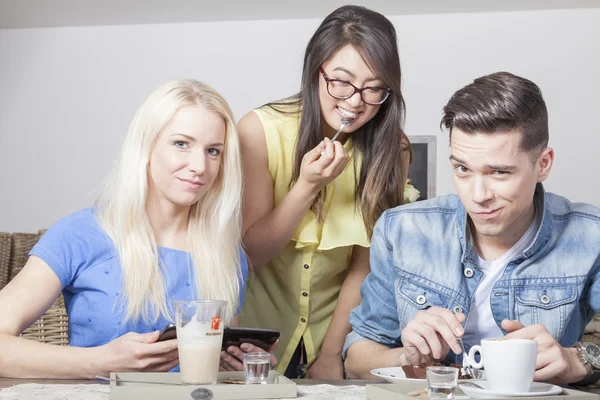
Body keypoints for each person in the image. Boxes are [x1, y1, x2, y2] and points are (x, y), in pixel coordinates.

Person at [0, 79, 270, 378]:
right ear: (146, 146)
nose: (199, 166)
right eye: (181, 144)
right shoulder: (79, 234)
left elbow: (213, 371)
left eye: (213, 151)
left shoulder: (227, 253)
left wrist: (240, 364)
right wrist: (98, 362)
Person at [344, 71, 600, 386]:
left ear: (543, 164)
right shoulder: (403, 230)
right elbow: (356, 360)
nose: (477, 196)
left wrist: (580, 360)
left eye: (499, 172)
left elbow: (584, 360)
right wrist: (407, 358)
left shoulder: (590, 236)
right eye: (462, 169)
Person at [229, 5, 412, 379]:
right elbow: (253, 254)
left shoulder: (394, 150)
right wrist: (307, 186)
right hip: (254, 345)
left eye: (374, 88)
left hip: (337, 337)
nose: (355, 101)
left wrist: (330, 354)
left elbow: (365, 265)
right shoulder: (260, 131)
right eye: (342, 81)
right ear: (317, 71)